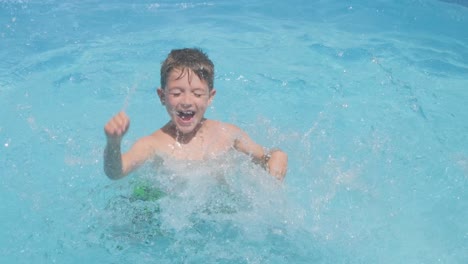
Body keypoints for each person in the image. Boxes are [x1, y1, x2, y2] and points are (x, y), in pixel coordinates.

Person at [104, 48, 288, 181]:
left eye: (197, 94)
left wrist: (278, 156)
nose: (186, 101)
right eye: (176, 93)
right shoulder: (152, 144)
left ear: (210, 97)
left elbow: (266, 156)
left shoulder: (228, 135)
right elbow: (116, 172)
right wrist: (113, 143)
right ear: (162, 96)